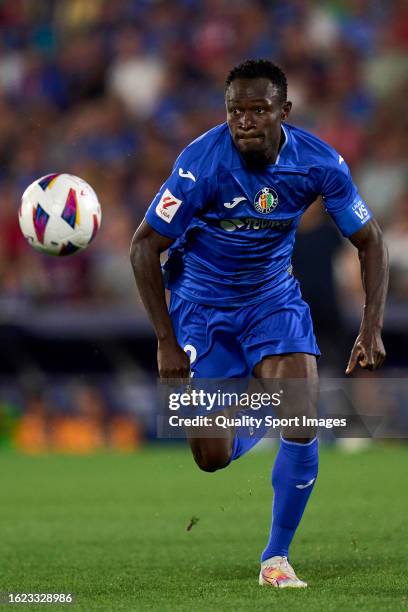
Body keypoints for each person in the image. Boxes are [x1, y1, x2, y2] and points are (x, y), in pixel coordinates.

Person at [130, 59, 388, 588]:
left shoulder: (318, 163)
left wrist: (371, 325)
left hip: (272, 298)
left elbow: (371, 241)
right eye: (235, 111)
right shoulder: (199, 164)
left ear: (283, 112)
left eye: (257, 110)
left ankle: (276, 557)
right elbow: (143, 247)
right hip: (200, 308)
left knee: (302, 410)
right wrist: (165, 341)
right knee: (210, 456)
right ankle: (260, 407)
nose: (245, 121)